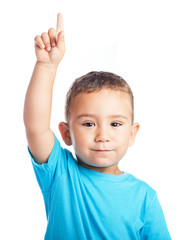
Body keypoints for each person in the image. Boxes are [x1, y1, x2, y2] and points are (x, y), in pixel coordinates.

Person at [24, 13, 171, 240]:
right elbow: (35, 127)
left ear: (132, 134)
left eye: (115, 123)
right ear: (66, 133)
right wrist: (46, 67)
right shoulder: (61, 173)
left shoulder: (144, 198)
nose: (103, 135)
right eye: (89, 123)